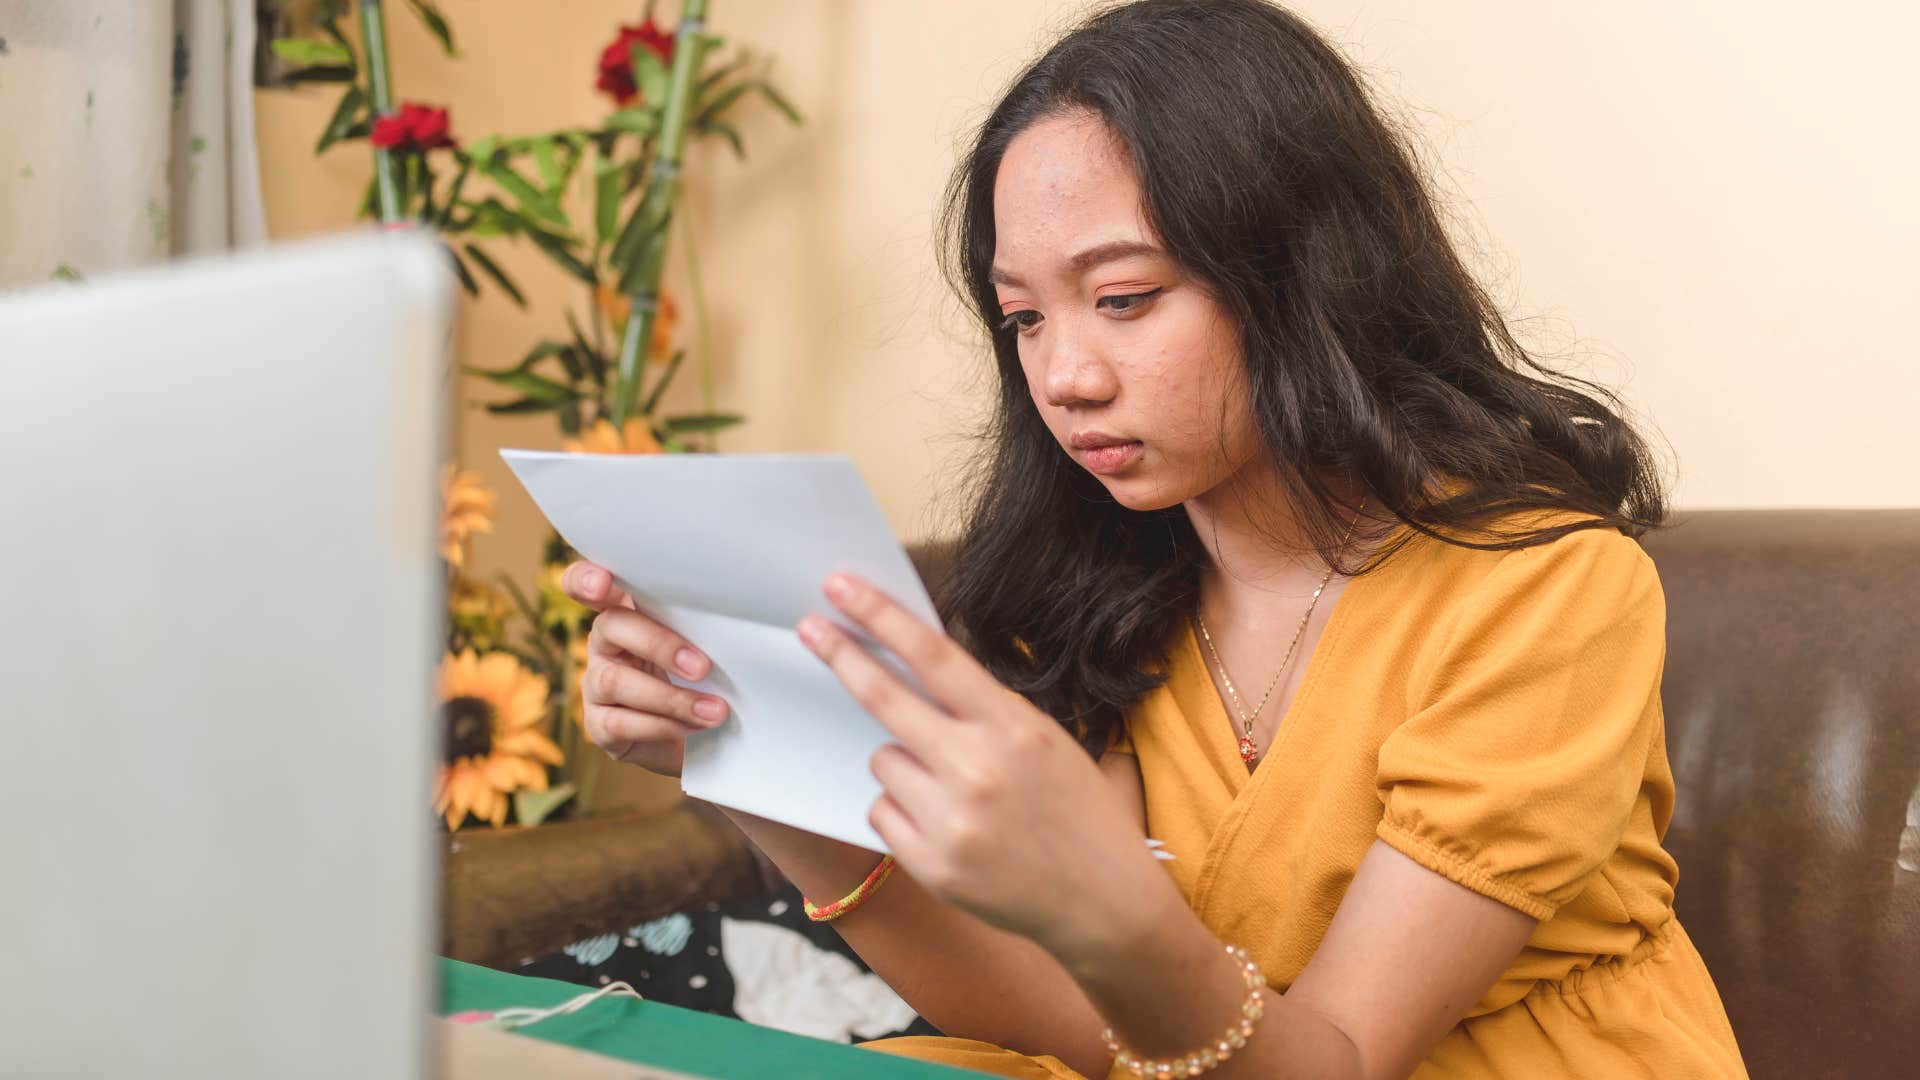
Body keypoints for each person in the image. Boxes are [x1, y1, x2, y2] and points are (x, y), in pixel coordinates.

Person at [561, 1, 1747, 1075]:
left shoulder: (1550, 591)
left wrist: (1100, 903)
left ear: (1303, 274)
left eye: (1124, 299)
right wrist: (749, 757)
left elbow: (1330, 1060)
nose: (1064, 378)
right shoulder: (1105, 585)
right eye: (1023, 317)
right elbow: (1087, 1028)